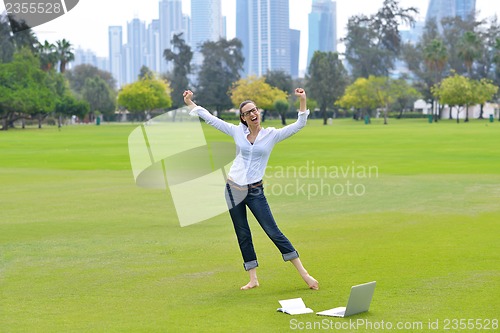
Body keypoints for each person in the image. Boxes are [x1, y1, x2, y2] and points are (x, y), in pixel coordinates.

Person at [183, 88, 318, 291]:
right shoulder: (237, 131)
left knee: (273, 231)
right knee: (243, 233)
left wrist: (303, 100)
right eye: (248, 112)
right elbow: (211, 119)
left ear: (258, 112)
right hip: (233, 189)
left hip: (255, 191)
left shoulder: (271, 135)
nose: (253, 114)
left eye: (255, 110)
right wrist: (190, 103)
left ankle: (305, 274)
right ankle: (253, 279)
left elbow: (300, 124)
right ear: (243, 118)